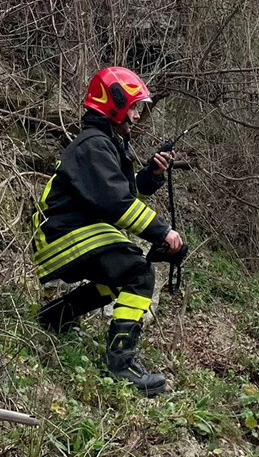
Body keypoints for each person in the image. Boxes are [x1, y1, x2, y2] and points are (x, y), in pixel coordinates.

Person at [31, 66, 184, 397]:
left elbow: (124, 196)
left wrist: (152, 175)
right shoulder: (94, 146)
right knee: (138, 273)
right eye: (134, 107)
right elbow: (118, 205)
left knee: (120, 274)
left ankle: (55, 317)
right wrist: (163, 232)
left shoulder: (105, 144)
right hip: (63, 235)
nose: (138, 114)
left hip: (67, 232)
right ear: (114, 104)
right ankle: (121, 365)